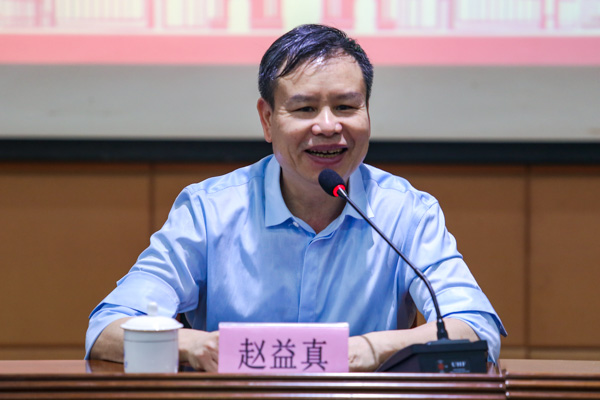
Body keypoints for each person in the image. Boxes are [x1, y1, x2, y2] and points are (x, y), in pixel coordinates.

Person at [86, 24, 506, 372]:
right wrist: (196, 346)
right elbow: (107, 329)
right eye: (304, 109)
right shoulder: (209, 210)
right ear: (267, 120)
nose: (328, 126)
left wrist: (367, 350)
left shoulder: (406, 212)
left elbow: (475, 328)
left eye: (346, 107)